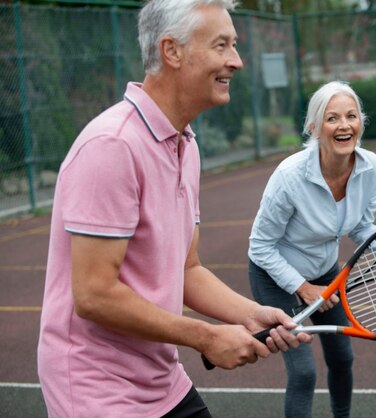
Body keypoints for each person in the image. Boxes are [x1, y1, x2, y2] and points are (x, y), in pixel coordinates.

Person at [37, 1, 312, 416]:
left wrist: (252, 313)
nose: (235, 61)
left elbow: (186, 269)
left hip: (159, 378)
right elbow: (94, 295)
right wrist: (206, 337)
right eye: (221, 45)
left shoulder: (186, 143)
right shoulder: (112, 146)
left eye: (234, 45)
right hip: (98, 389)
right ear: (172, 51)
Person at [248, 80, 376, 418]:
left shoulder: (370, 167)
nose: (344, 125)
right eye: (332, 118)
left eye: (351, 116)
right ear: (314, 127)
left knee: (342, 358)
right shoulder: (290, 176)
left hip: (325, 272)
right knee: (304, 372)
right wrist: (304, 289)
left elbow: (363, 227)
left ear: (360, 123)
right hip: (274, 275)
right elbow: (261, 246)